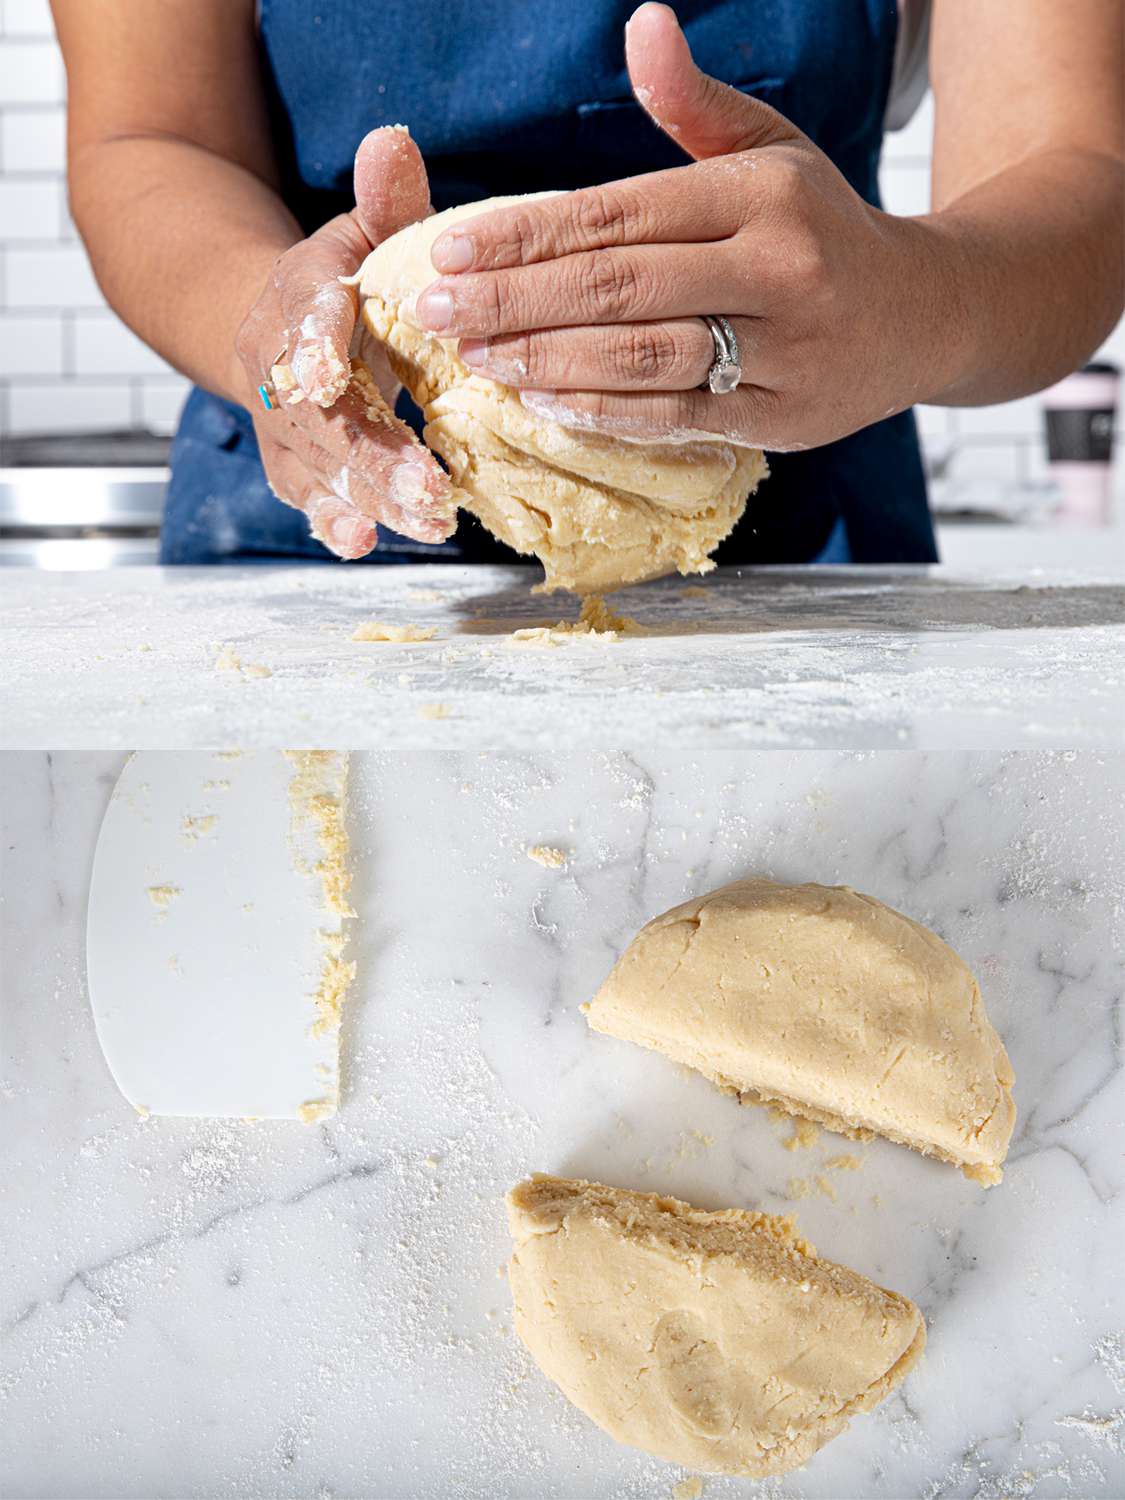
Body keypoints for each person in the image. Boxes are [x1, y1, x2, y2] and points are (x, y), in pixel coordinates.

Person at [53, 1, 1123, 567]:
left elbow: (1076, 163)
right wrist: (283, 340)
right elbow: (148, 136)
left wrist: (914, 306)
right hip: (316, 524)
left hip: (803, 545)